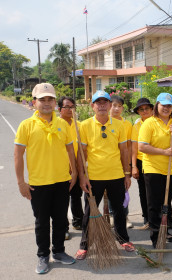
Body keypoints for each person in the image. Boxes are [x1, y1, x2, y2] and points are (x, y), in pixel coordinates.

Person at [14, 83, 77, 274]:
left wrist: (73, 172)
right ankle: (43, 256)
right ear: (34, 102)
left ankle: (59, 251)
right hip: (38, 184)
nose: (47, 103)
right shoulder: (26, 125)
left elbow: (69, 150)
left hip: (61, 181)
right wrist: (21, 182)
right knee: (42, 223)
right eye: (42, 100)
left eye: (50, 99)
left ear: (55, 103)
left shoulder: (62, 124)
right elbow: (18, 155)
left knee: (60, 220)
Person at [75, 90, 134, 260]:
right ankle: (84, 245)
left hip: (116, 175)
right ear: (92, 106)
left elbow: (124, 151)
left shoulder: (119, 125)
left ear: (109, 105)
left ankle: (123, 239)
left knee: (120, 210)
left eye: (105, 102)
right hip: (94, 177)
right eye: (98, 102)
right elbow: (82, 153)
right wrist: (82, 176)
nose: (101, 105)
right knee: (89, 212)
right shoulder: (84, 125)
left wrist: (127, 174)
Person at [138, 92, 172, 248]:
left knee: (165, 203)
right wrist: (163, 152)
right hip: (153, 169)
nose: (166, 108)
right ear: (157, 105)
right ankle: (155, 237)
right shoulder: (149, 123)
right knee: (154, 204)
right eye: (163, 105)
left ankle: (164, 230)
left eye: (169, 106)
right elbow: (142, 146)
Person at [57, 96, 84, 240]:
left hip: (77, 166)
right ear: (60, 109)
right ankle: (64, 228)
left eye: (72, 107)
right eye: (66, 107)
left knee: (76, 196)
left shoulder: (79, 125)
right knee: (62, 199)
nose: (69, 109)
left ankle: (78, 221)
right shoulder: (56, 124)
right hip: (61, 168)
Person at [108, 95, 133, 229]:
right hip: (108, 163)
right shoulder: (105, 122)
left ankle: (125, 215)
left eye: (119, 106)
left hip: (122, 163)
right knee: (109, 192)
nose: (116, 108)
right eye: (113, 105)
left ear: (122, 108)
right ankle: (111, 215)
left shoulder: (127, 124)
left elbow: (128, 146)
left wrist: (128, 165)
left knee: (124, 191)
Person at [131, 97, 154, 229]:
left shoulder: (157, 122)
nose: (144, 111)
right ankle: (147, 218)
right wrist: (134, 166)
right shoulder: (136, 126)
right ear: (138, 112)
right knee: (143, 191)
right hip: (141, 161)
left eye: (147, 108)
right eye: (141, 109)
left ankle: (164, 218)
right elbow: (134, 148)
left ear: (152, 109)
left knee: (157, 191)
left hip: (156, 160)